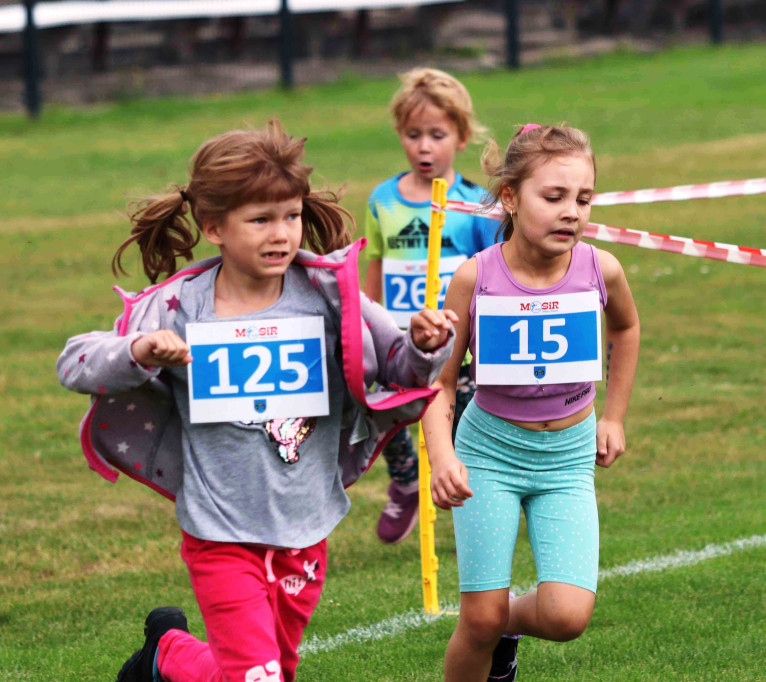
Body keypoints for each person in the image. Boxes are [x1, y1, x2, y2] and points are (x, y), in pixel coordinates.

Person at [56, 120, 456, 682]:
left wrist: (424, 344)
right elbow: (74, 362)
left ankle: (165, 655)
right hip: (219, 533)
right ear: (214, 226)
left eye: (290, 215)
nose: (281, 234)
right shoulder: (180, 306)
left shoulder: (328, 296)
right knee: (257, 678)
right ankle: (168, 655)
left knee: (266, 672)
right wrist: (140, 349)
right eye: (261, 219)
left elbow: (398, 368)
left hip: (306, 530)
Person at [421, 123, 640, 681]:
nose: (572, 212)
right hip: (489, 455)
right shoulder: (477, 278)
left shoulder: (600, 269)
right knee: (478, 619)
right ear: (512, 199)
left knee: (568, 616)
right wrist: (443, 458)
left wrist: (612, 415)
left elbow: (627, 328)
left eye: (583, 199)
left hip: (567, 460)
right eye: (554, 197)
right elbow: (438, 382)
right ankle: (491, 633)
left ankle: (507, 629)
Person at [363, 67, 499, 544]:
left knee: (460, 431)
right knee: (388, 421)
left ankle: (480, 513)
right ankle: (403, 483)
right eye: (413, 135)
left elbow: (491, 274)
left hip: (456, 348)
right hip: (401, 342)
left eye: (437, 135)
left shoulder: (475, 204)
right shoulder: (383, 199)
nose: (424, 146)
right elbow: (375, 267)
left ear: (461, 136)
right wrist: (371, 324)